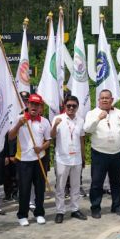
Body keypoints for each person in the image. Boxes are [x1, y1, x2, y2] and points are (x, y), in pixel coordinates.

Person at [84, 89, 120, 218]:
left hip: (117, 153)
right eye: (102, 98)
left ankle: (117, 206)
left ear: (112, 100)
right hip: (99, 154)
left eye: (107, 98)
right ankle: (95, 207)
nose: (105, 100)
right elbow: (87, 129)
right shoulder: (92, 113)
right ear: (99, 100)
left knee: (116, 182)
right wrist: (98, 118)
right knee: (97, 182)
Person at [10, 94, 52, 226]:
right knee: (24, 189)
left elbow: (48, 141)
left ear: (40, 107)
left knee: (40, 188)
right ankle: (22, 215)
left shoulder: (44, 121)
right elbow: (10, 137)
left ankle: (39, 213)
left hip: (39, 159)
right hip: (23, 160)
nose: (34, 107)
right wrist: (18, 125)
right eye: (32, 104)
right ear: (28, 104)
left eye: (37, 105)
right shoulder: (19, 118)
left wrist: (41, 148)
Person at [50, 95, 87, 223]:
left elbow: (81, 139)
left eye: (74, 106)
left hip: (76, 158)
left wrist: (83, 156)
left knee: (76, 186)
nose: (71, 108)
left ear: (77, 107)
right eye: (69, 105)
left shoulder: (80, 120)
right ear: (64, 106)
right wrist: (55, 125)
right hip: (62, 158)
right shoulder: (58, 118)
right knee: (60, 187)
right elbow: (51, 136)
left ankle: (75, 209)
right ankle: (60, 211)